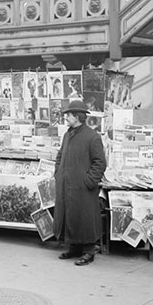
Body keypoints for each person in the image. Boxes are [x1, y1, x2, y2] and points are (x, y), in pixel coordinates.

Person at [54, 99, 107, 265]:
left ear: (77, 116)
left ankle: (89, 252)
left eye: (68, 114)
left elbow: (100, 163)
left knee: (84, 218)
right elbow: (60, 155)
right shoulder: (67, 134)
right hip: (66, 185)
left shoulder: (92, 137)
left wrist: (88, 181)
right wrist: (58, 173)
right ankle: (74, 248)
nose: (66, 117)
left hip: (83, 187)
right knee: (70, 215)